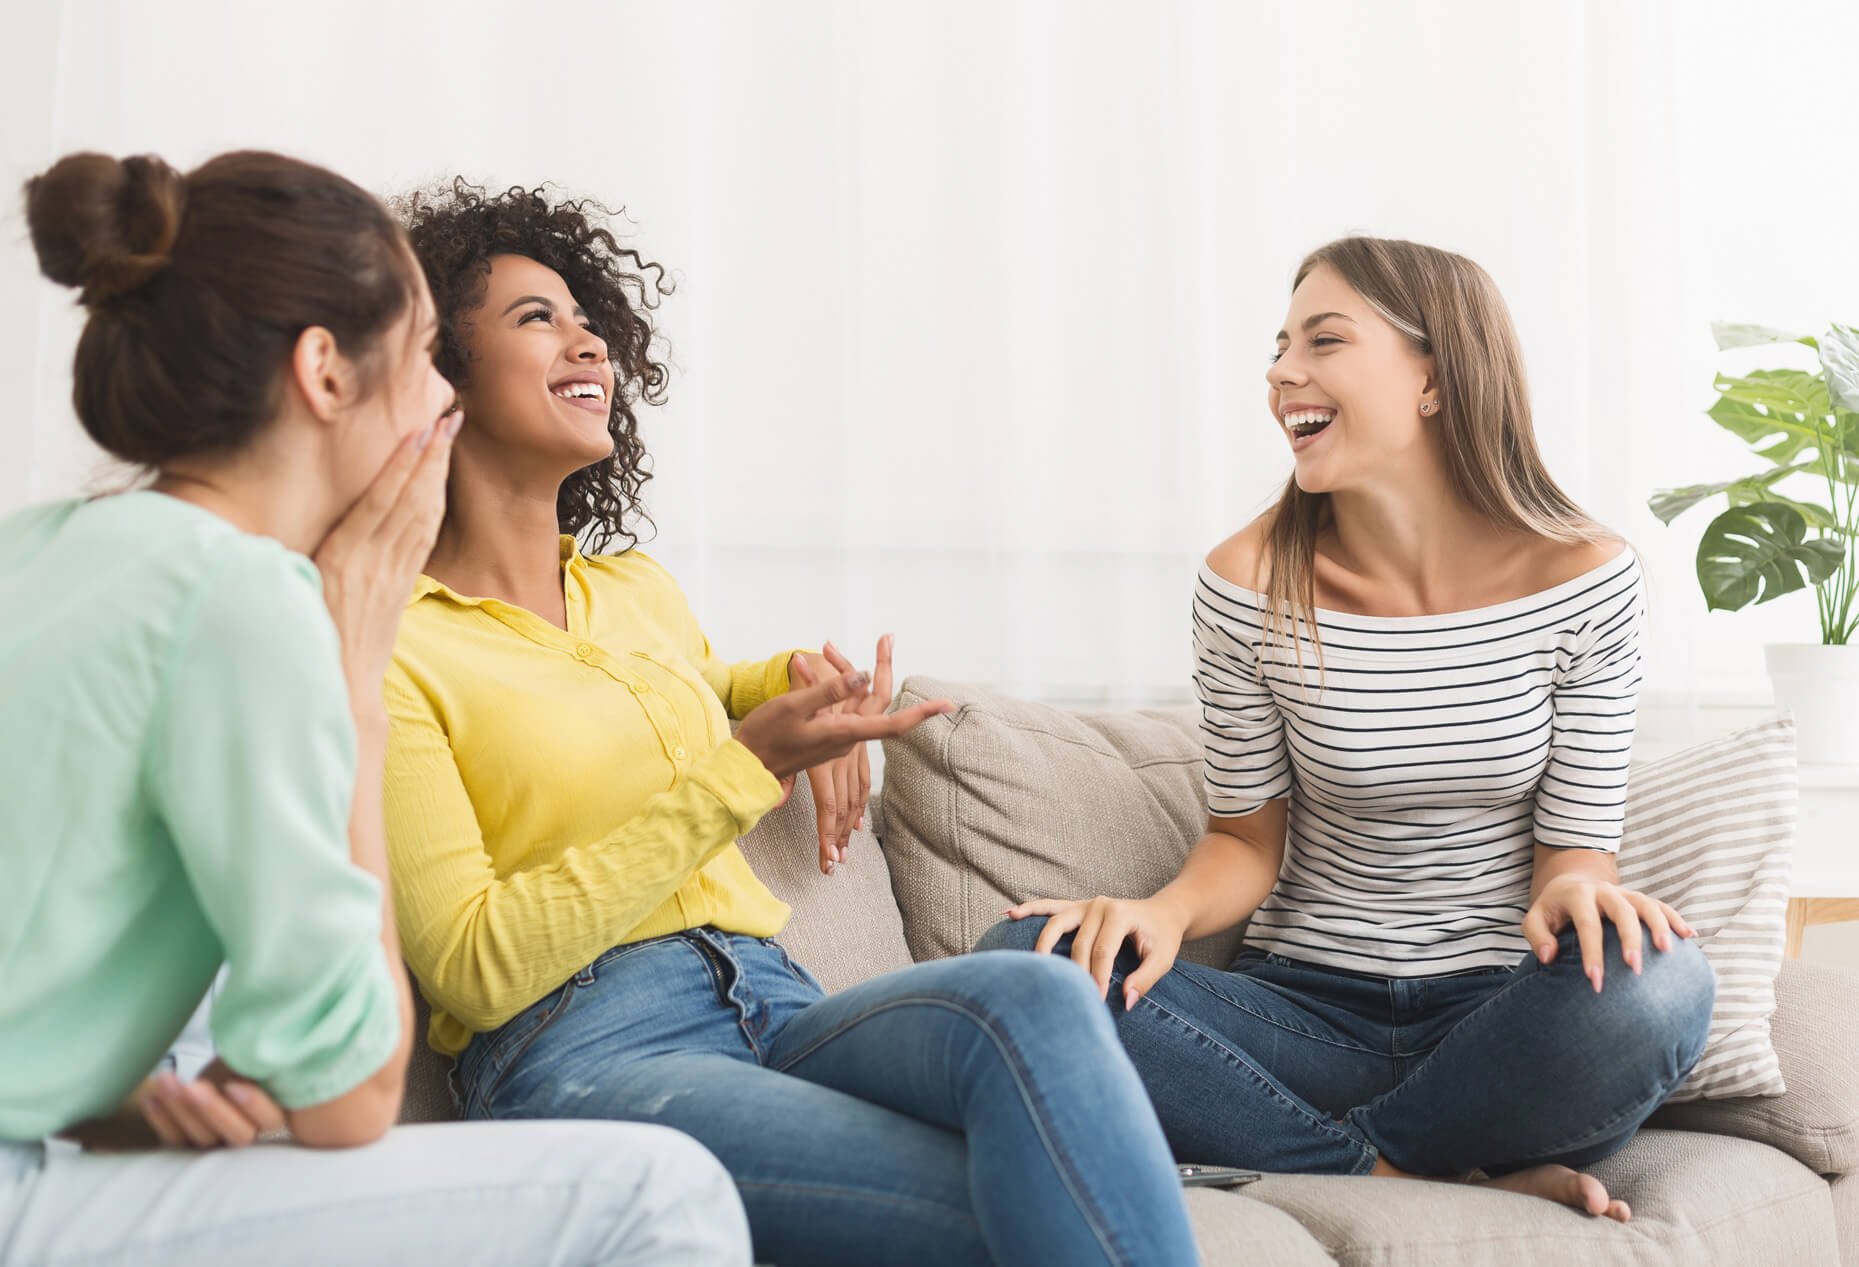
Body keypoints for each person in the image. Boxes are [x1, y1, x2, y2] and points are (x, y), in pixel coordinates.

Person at [379, 180, 1201, 1267]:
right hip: (583, 1048)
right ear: (438, 374)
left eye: (589, 318)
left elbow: (696, 683)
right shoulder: (394, 648)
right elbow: (474, 964)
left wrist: (802, 682)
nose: (586, 340)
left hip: (775, 997)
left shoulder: (634, 593)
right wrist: (744, 767)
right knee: (1020, 1196)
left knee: (1038, 992)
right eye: (538, 318)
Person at [0, 150, 749, 1267]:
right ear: (326, 374)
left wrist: (106, 1105)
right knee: (664, 1194)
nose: (443, 397)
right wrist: (352, 683)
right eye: (420, 359)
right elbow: (347, 1098)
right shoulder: (248, 602)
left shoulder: (36, 550)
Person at [980, 235, 1715, 1223]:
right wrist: (1157, 912)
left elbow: (1574, 853)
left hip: (1496, 1021)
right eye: (1279, 346)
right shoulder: (1245, 580)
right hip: (1302, 1013)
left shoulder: (1582, 579)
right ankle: (1404, 1177)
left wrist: (1581, 898)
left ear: (1434, 379)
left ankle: (1288, 1151)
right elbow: (1244, 839)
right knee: (1029, 956)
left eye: (1323, 341)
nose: (1283, 371)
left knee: (1660, 984)